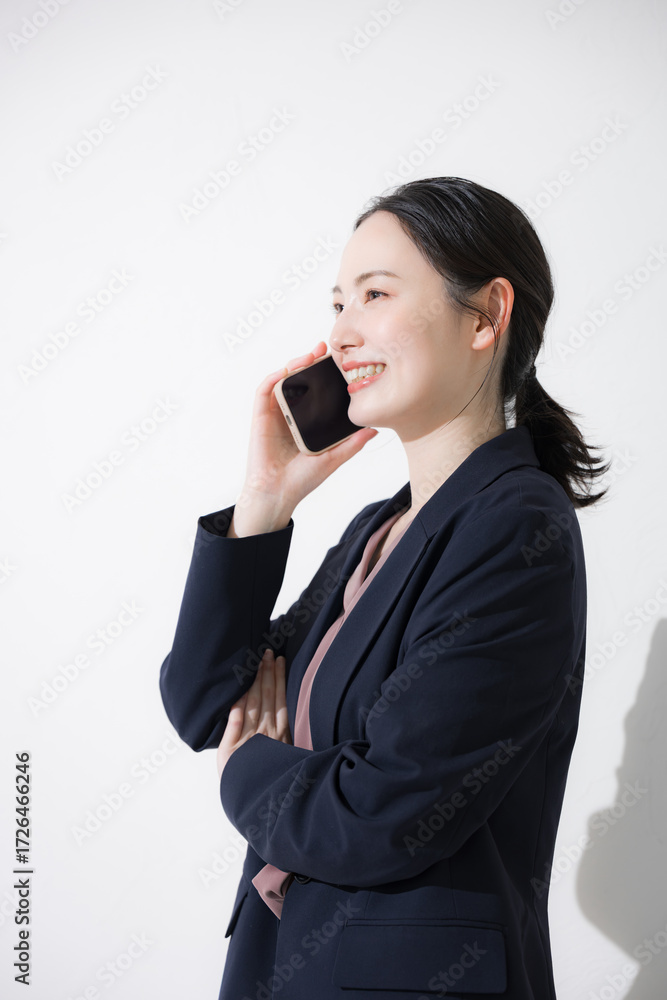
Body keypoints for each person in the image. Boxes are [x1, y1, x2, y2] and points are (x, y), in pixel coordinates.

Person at [159, 176, 608, 1000]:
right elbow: (205, 701)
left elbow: (385, 812)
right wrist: (264, 503)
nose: (341, 333)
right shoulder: (378, 529)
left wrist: (245, 770)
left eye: (373, 294)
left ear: (486, 315)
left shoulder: (515, 526)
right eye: (337, 303)